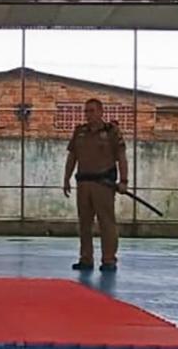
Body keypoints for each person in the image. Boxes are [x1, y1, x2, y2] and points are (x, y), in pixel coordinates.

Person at [62, 98, 129, 273]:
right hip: (84, 182)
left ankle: (109, 260)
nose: (88, 115)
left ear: (101, 112)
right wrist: (66, 178)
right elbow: (72, 157)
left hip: (104, 183)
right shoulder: (80, 132)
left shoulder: (112, 132)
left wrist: (124, 180)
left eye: (92, 111)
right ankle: (86, 259)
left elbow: (121, 156)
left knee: (106, 222)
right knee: (84, 223)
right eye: (86, 111)